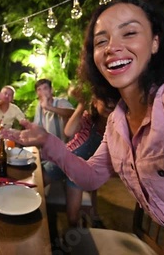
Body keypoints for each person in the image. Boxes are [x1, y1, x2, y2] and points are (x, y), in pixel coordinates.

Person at [3, 0, 164, 254]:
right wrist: (47, 142)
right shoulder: (117, 120)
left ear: (155, 43)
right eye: (101, 40)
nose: (112, 47)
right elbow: (91, 177)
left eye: (129, 33)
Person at [44, 85, 113, 228]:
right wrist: (82, 104)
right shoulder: (89, 118)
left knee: (73, 217)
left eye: (113, 100)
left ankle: (71, 242)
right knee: (37, 181)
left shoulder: (116, 127)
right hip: (65, 157)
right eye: (103, 100)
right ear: (94, 102)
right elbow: (69, 131)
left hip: (81, 169)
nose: (109, 104)